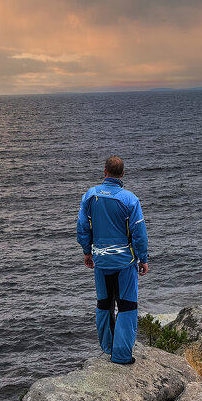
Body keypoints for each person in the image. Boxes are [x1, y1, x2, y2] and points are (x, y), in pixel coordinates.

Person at [76, 155, 148, 364]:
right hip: (125, 262)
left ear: (105, 172)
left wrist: (86, 251)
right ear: (122, 175)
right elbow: (139, 234)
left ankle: (107, 347)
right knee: (127, 306)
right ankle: (122, 355)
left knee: (104, 303)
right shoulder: (130, 199)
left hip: (100, 260)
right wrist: (143, 259)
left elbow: (82, 226)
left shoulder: (90, 196)